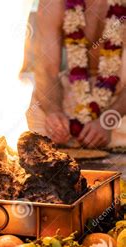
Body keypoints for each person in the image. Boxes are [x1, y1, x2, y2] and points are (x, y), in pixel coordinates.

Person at [28, 0, 126, 148]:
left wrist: (109, 118)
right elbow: (47, 69)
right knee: (36, 127)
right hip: (73, 91)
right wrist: (54, 111)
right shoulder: (53, 3)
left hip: (120, 96)